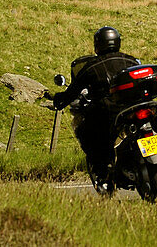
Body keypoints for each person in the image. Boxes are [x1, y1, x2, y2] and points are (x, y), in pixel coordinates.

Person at [51, 26, 139, 183]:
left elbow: (74, 89)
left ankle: (103, 168)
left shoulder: (92, 67)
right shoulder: (131, 60)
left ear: (98, 44)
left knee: (88, 131)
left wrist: (60, 99)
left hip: (110, 109)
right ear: (117, 42)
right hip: (134, 105)